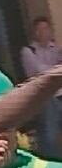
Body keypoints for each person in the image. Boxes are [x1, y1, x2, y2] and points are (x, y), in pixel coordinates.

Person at [20, 16, 62, 158]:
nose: (43, 32)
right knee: (49, 135)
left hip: (60, 93)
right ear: (35, 33)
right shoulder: (28, 51)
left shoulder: (55, 49)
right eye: (40, 29)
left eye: (46, 28)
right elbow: (39, 72)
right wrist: (57, 69)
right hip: (45, 98)